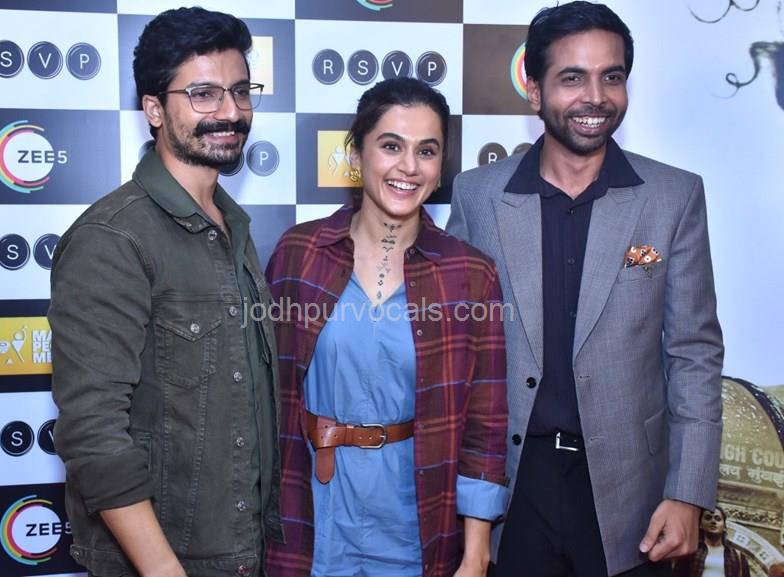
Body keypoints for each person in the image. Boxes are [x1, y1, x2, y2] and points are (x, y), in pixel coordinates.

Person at [447, 2, 724, 576]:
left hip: (633, 494)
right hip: (511, 489)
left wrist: (688, 492)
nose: (595, 97)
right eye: (572, 78)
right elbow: (456, 350)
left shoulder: (673, 196)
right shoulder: (478, 196)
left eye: (611, 77)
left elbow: (693, 354)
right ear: (534, 91)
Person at [49, 7, 280, 577]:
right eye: (203, 94)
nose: (231, 112)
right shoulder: (114, 237)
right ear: (154, 109)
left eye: (240, 91)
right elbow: (92, 432)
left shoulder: (233, 226)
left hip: (241, 554)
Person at [264, 77, 509, 577]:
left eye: (427, 151)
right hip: (311, 518)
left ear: (440, 168)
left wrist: (476, 549)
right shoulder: (299, 254)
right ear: (357, 155)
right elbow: (266, 398)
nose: (409, 166)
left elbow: (485, 421)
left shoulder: (470, 274)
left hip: (415, 526)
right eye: (391, 146)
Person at [672, 507, 751, 577]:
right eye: (708, 518)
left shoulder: (737, 556)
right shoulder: (691, 551)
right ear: (700, 525)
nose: (713, 521)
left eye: (718, 519)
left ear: (724, 527)